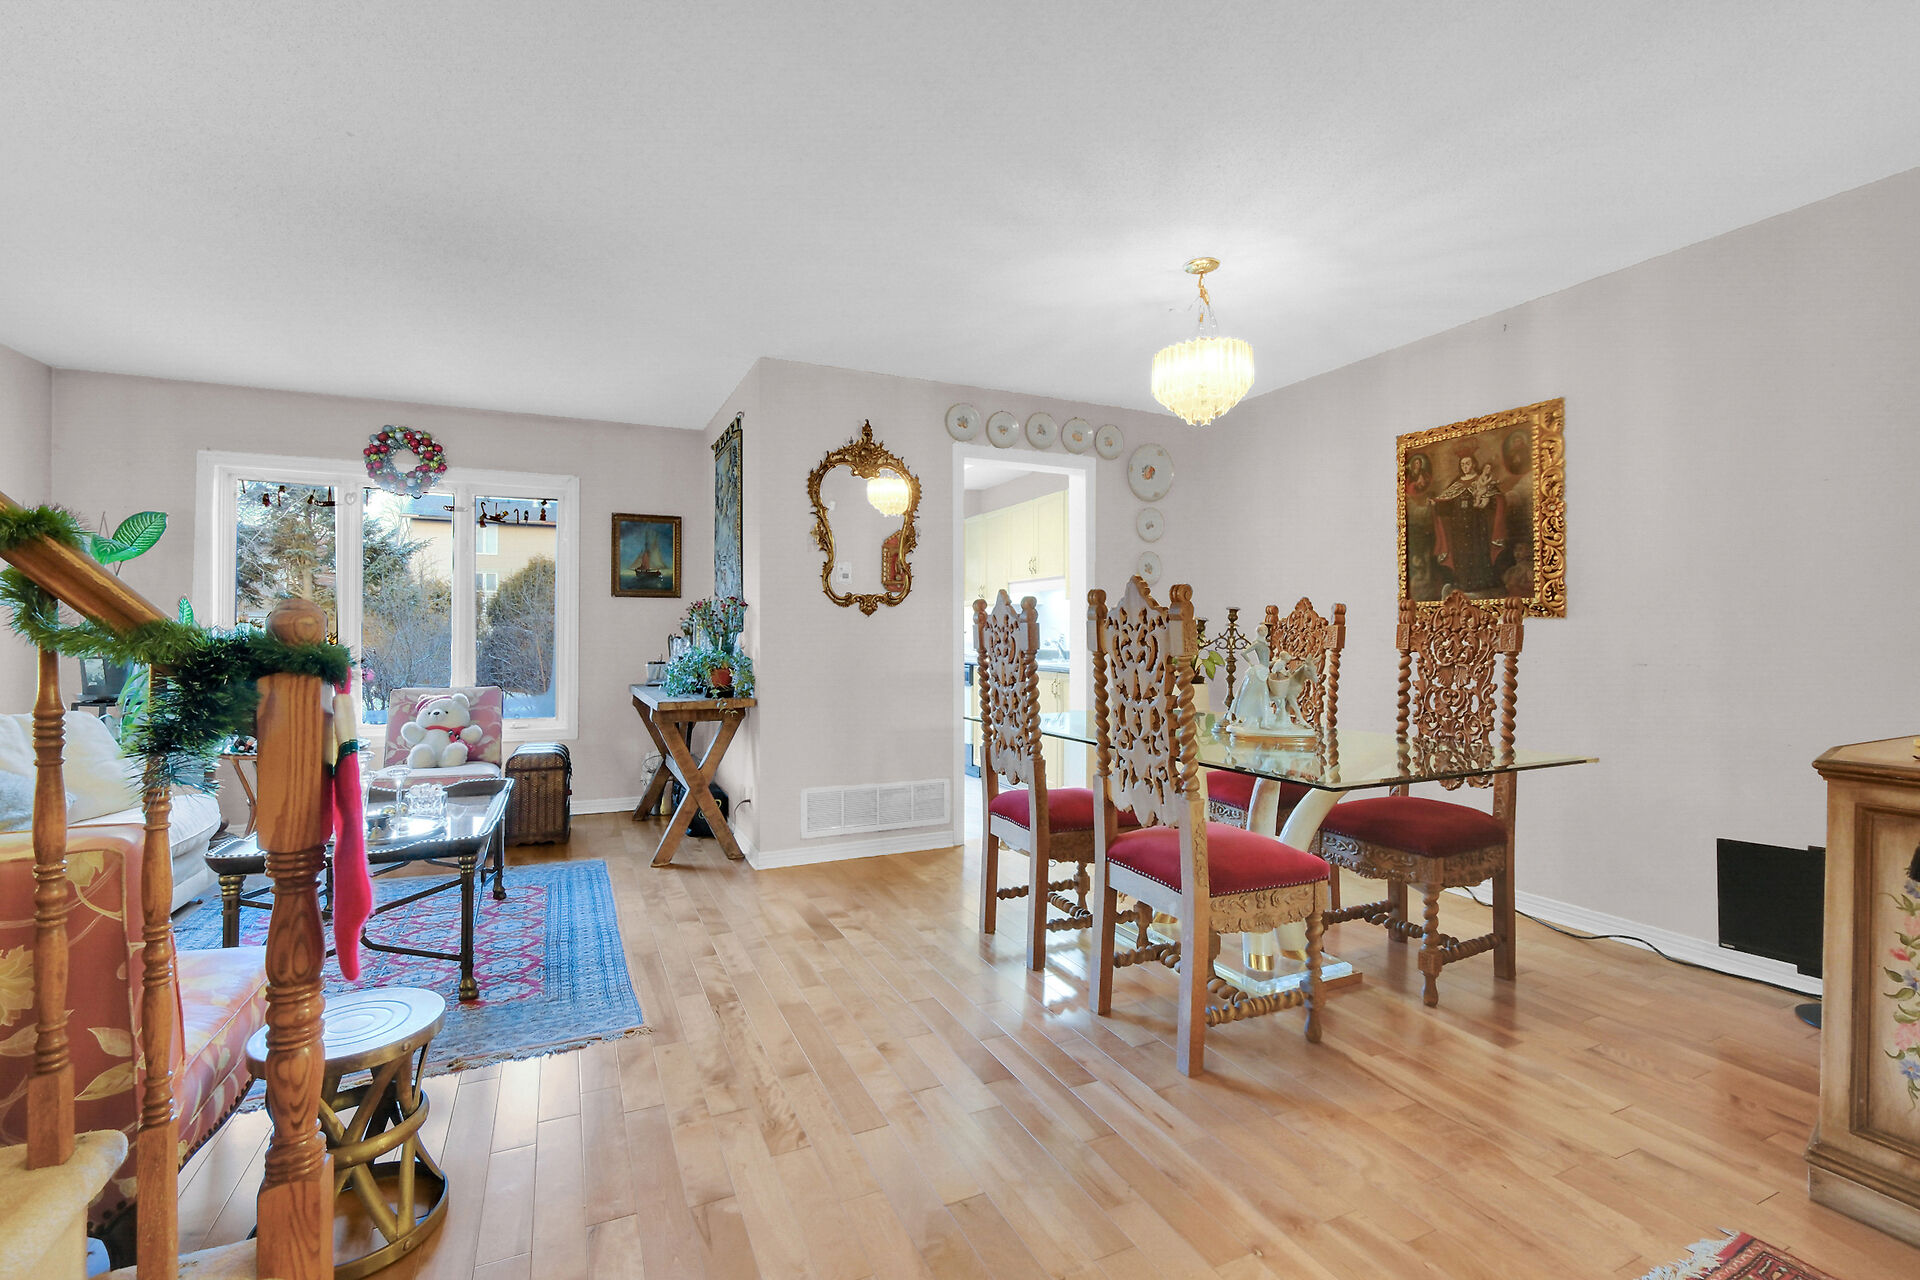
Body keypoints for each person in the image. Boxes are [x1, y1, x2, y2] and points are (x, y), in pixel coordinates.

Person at [1432, 448, 1507, 593]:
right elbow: (1446, 505)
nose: (1465, 467)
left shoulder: (1481, 480)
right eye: (1462, 464)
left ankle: (1481, 582)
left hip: (1477, 524)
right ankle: (1463, 582)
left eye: (1467, 463)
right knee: (1461, 553)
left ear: (1474, 464)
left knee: (1477, 550)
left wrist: (1487, 500)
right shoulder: (1456, 484)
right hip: (1458, 526)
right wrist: (1436, 504)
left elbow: (1496, 500)